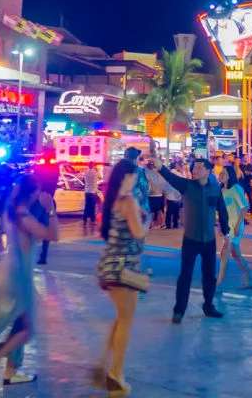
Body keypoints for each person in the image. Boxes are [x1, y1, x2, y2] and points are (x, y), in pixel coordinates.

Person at [0, 174, 59, 385]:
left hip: (8, 271)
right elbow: (53, 235)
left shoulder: (11, 212)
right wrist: (50, 210)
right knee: (26, 328)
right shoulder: (24, 217)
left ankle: (10, 370)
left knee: (7, 322)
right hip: (18, 275)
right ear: (32, 194)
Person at [94, 159, 150, 397]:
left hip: (110, 265)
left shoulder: (113, 199)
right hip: (124, 267)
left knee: (120, 319)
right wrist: (146, 220)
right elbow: (138, 232)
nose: (136, 180)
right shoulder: (128, 201)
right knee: (126, 322)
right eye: (134, 176)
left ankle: (104, 365)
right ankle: (115, 376)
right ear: (127, 177)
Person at [152, 154, 229, 324]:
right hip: (191, 240)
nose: (195, 170)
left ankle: (208, 306)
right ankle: (179, 310)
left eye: (199, 168)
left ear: (208, 171)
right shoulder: (186, 185)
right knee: (185, 275)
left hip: (209, 240)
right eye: (194, 168)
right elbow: (171, 177)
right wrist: (160, 166)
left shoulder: (215, 189)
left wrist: (226, 231)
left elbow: (222, 211)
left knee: (209, 275)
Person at [217, 166, 252, 290]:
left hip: (235, 226)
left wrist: (237, 226)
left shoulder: (236, 189)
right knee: (236, 254)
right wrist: (220, 225)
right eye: (221, 173)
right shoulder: (221, 190)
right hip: (228, 227)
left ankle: (219, 284)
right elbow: (221, 211)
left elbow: (244, 207)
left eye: (224, 173)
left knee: (224, 253)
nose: (221, 175)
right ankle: (249, 279)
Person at [164, 163, 183, 230]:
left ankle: (168, 225)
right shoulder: (179, 174)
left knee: (169, 211)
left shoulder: (168, 176)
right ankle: (175, 224)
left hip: (170, 195)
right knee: (176, 211)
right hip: (177, 195)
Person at [83, 161, 100, 235]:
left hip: (86, 191)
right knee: (92, 206)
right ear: (93, 165)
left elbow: (84, 180)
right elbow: (100, 177)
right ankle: (92, 220)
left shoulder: (85, 173)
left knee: (86, 206)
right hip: (93, 191)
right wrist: (97, 170)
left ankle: (85, 219)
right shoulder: (95, 172)